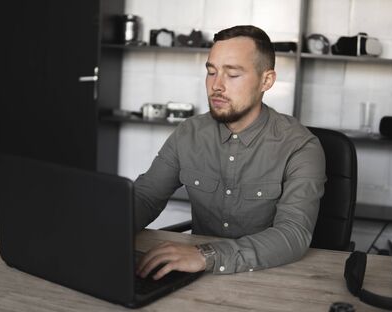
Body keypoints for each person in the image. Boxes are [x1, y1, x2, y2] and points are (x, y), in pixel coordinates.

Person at [134, 25, 326, 280]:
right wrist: (102, 227)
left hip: (269, 277)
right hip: (195, 278)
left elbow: (292, 233)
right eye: (211, 72)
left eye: (232, 75)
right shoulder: (188, 133)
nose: (216, 86)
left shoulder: (301, 146)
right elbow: (145, 198)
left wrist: (208, 255)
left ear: (266, 81)